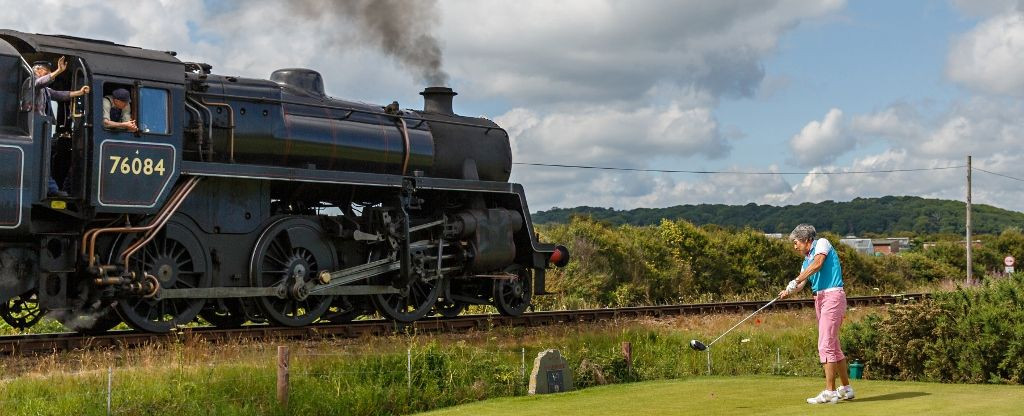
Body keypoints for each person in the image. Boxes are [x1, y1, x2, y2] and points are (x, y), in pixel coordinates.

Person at [779, 224, 855, 404]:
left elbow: (818, 264)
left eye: (796, 242)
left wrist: (797, 279)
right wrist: (788, 290)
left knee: (825, 344)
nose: (795, 246)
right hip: (820, 299)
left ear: (806, 240)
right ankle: (846, 388)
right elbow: (801, 284)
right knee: (833, 346)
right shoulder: (805, 261)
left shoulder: (822, 243)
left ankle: (829, 392)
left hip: (833, 295)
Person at [32, 57, 90, 197]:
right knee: (41, 157)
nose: (48, 75)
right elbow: (40, 82)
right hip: (34, 126)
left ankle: (49, 187)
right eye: (46, 72)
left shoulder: (45, 90)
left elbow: (59, 95)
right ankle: (49, 187)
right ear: (38, 71)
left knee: (44, 157)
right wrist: (59, 70)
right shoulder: (32, 81)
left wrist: (79, 92)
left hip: (41, 127)